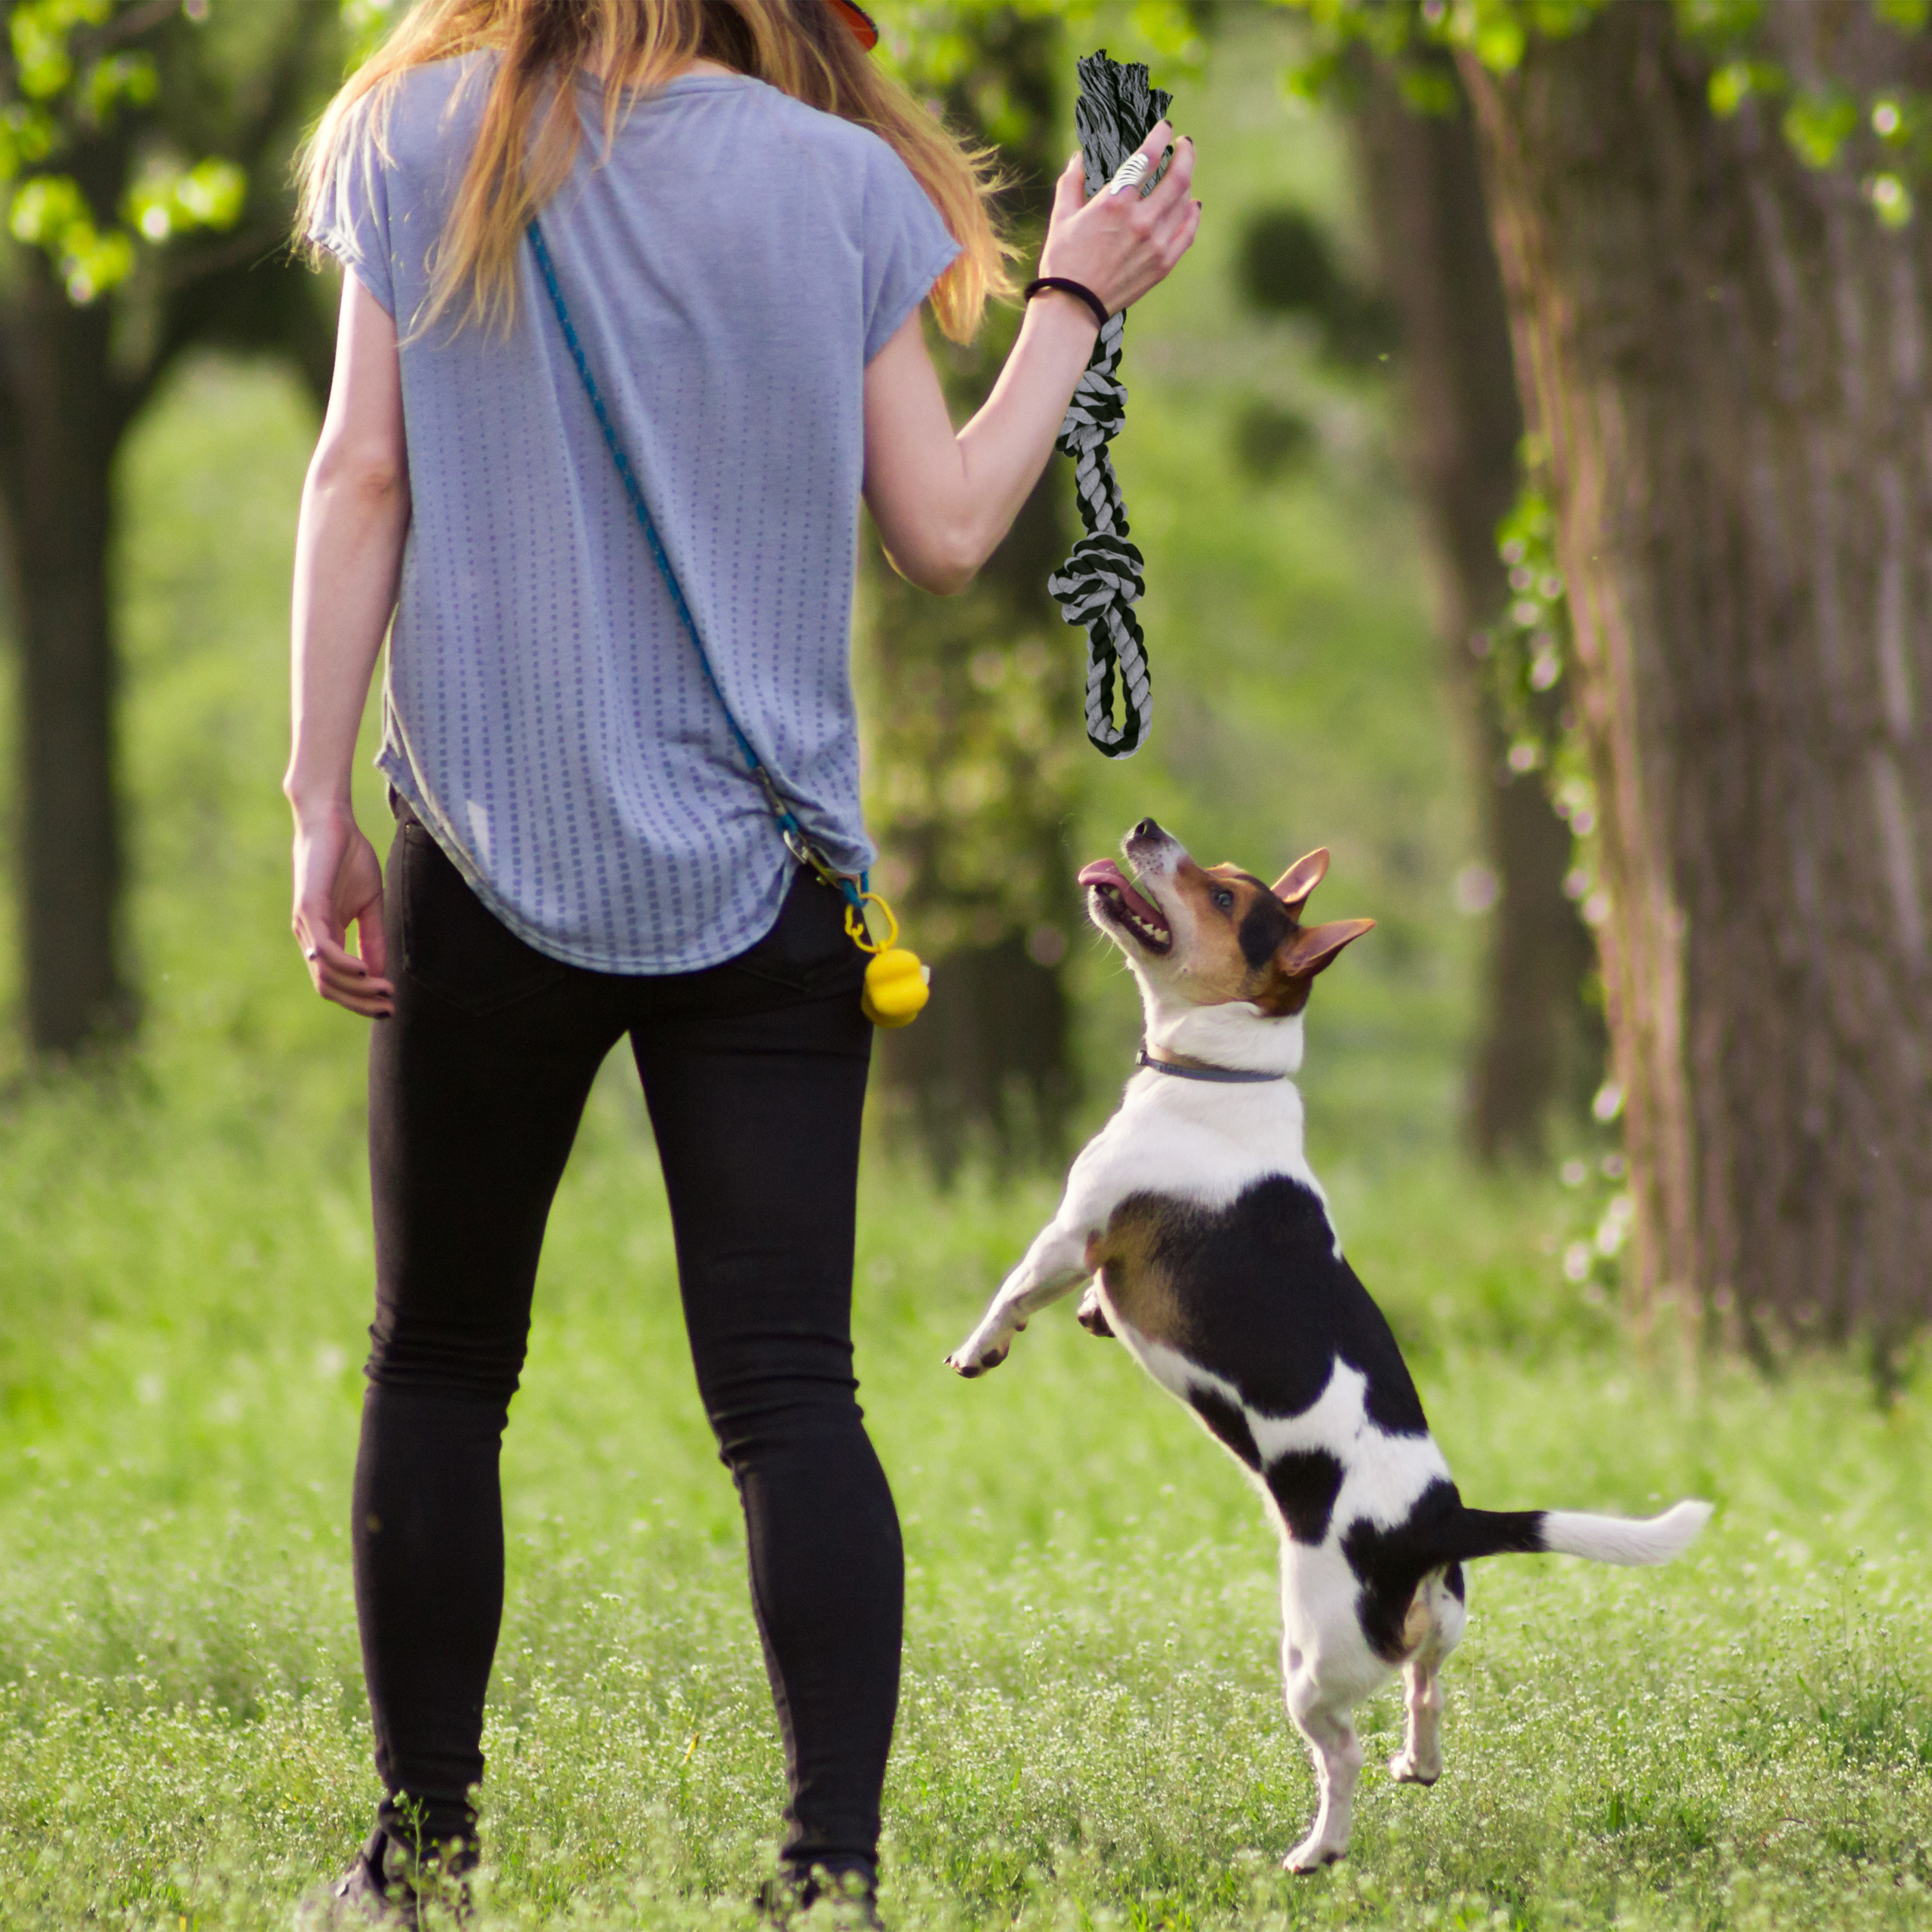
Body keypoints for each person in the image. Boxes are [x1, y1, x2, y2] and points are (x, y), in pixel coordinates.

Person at [286, 0, 1198, 1918]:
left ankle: (419, 1861)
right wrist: (1070, 298)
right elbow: (946, 529)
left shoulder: (411, 133)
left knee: (438, 1361)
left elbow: (360, 478)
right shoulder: (838, 183)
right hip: (766, 876)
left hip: (485, 844)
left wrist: (315, 802)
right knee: (789, 1389)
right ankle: (828, 1874)